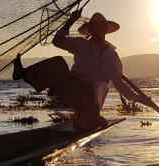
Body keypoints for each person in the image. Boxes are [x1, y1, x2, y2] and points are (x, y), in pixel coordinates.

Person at [12, 10, 146, 131]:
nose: (97, 30)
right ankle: (23, 73)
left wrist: (140, 98)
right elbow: (57, 41)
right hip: (73, 89)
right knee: (58, 63)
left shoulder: (112, 56)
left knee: (92, 113)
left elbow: (120, 85)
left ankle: (88, 118)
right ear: (90, 30)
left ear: (105, 30)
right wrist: (70, 21)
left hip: (93, 100)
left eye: (100, 28)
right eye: (94, 28)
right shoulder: (81, 44)